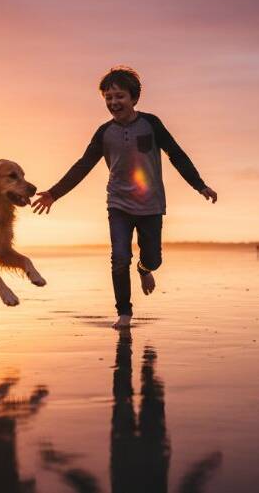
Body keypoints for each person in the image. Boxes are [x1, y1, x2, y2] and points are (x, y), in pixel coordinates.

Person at [32, 66, 217, 328]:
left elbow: (177, 154)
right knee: (119, 257)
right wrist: (54, 193)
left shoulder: (151, 124)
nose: (113, 102)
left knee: (153, 259)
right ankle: (124, 312)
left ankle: (144, 269)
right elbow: (83, 165)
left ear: (133, 98)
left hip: (151, 205)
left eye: (119, 96)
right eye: (108, 97)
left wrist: (200, 185)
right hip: (118, 204)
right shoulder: (104, 132)